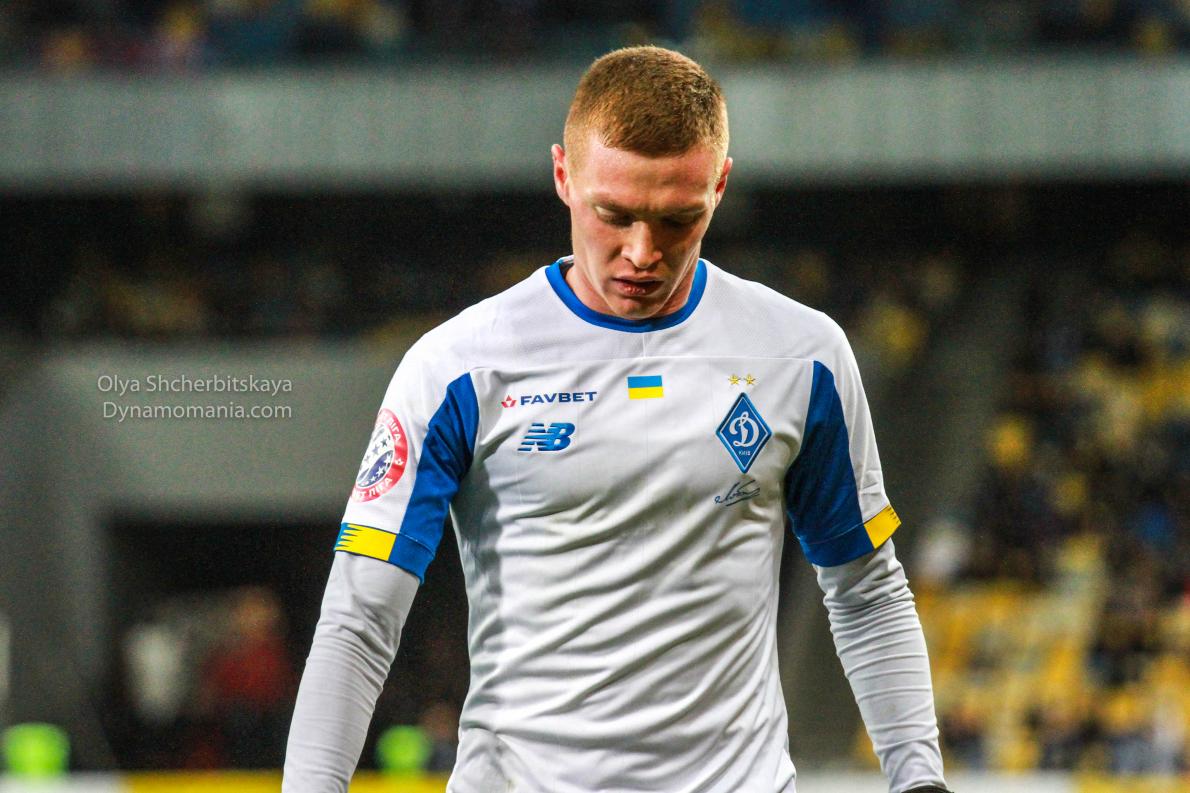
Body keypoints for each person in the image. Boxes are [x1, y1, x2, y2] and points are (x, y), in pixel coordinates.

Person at [283, 45, 951, 793]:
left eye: (677, 220)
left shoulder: (802, 356)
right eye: (615, 214)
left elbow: (866, 591)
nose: (642, 252)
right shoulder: (458, 368)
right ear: (563, 177)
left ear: (719, 186)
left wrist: (919, 781)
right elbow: (359, 619)